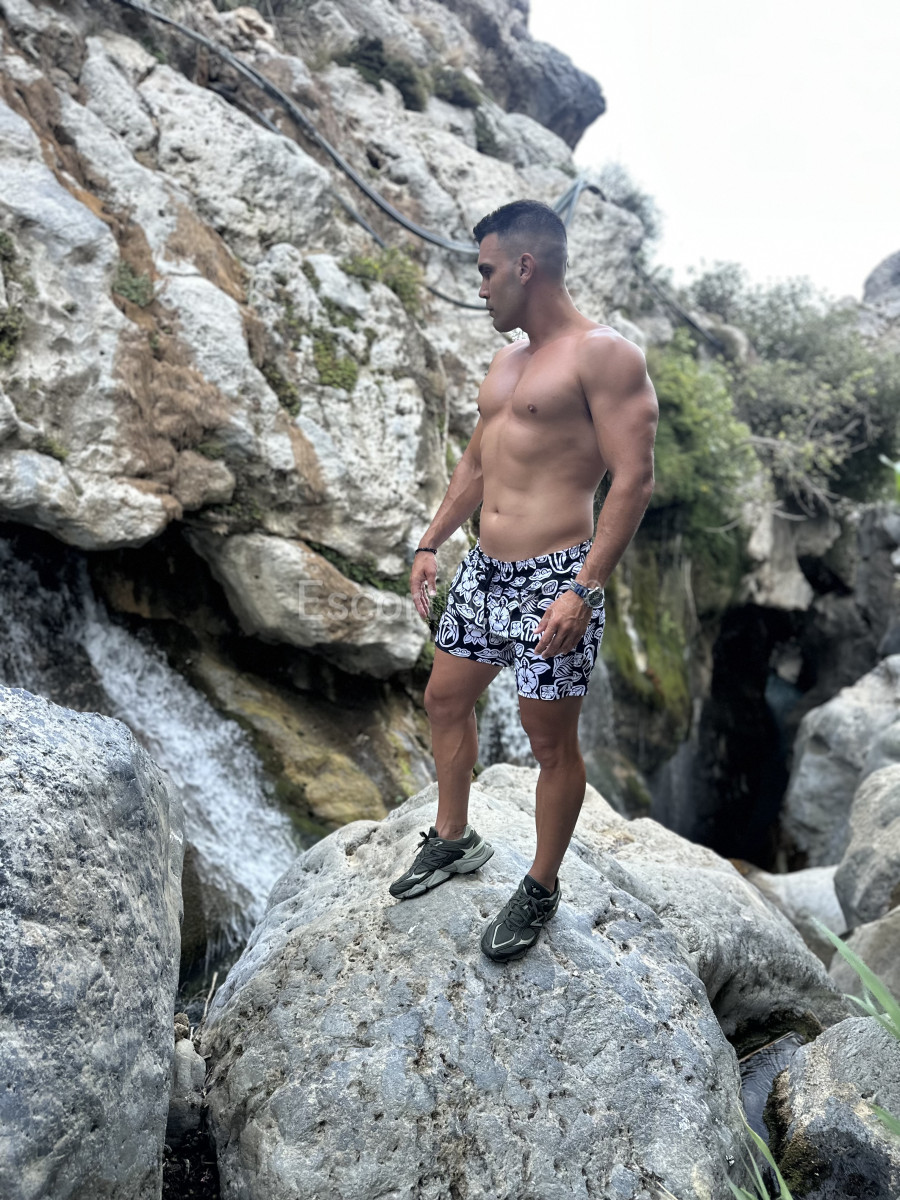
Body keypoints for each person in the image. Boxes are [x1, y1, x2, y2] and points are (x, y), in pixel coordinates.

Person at [389, 199, 658, 962]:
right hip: (485, 569)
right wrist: (432, 540)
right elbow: (479, 464)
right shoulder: (507, 362)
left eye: (485, 271)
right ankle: (453, 838)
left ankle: (540, 885)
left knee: (549, 742)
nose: (480, 288)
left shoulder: (605, 357)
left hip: (555, 579)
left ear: (525, 266)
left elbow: (634, 481)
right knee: (444, 699)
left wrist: (585, 589)